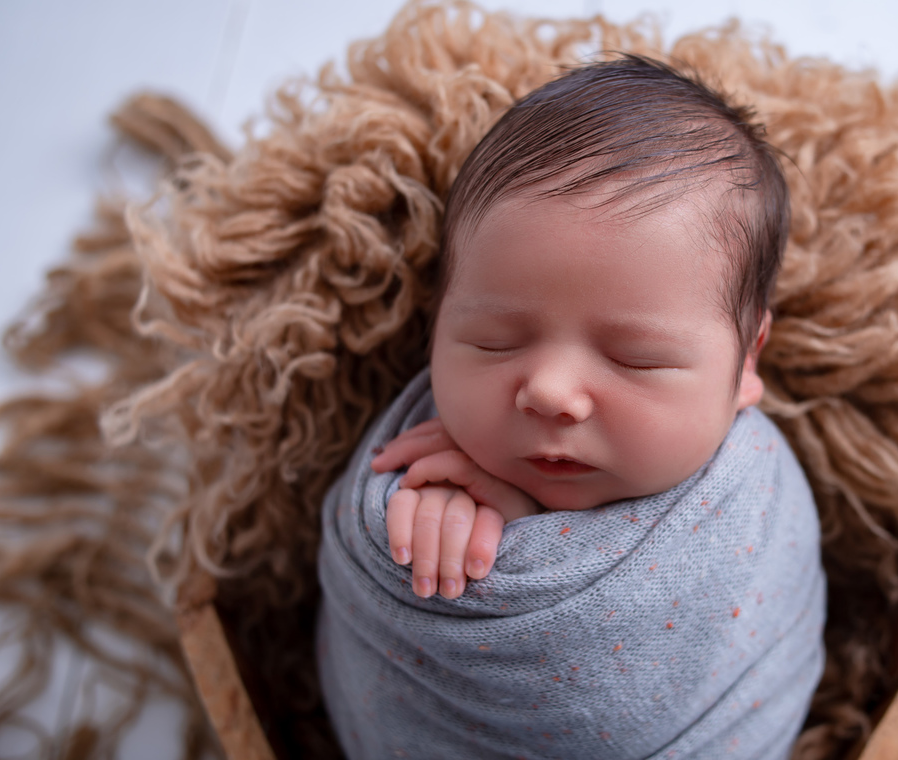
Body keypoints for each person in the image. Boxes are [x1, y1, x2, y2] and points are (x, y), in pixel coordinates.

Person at [317, 55, 825, 759]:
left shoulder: (753, 500)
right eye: (494, 341)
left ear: (745, 362)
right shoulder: (412, 467)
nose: (550, 392)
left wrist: (524, 533)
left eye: (635, 357)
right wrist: (448, 539)